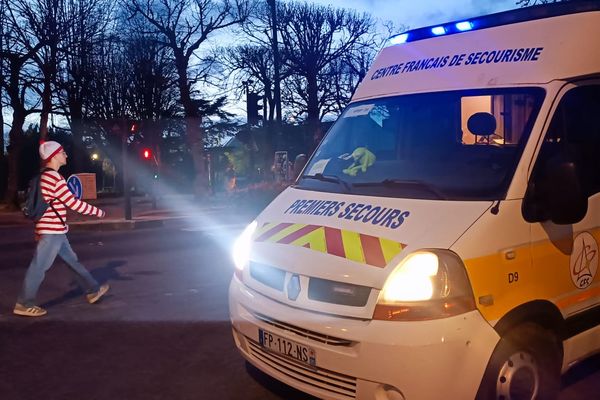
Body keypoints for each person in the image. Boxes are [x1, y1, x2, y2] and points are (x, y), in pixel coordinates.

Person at [13, 141, 109, 317]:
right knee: (39, 266)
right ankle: (24, 303)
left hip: (55, 230)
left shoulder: (44, 176)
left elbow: (44, 206)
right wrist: (99, 212)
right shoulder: (55, 178)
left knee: (73, 261)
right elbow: (73, 203)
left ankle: (93, 290)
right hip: (53, 231)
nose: (66, 155)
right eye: (63, 152)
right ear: (55, 155)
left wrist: (39, 229)